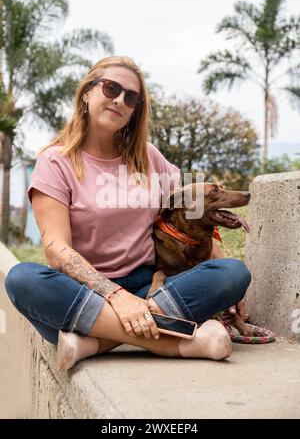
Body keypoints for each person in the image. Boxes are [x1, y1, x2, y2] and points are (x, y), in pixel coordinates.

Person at [5, 56, 251, 371]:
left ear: (136, 108)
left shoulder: (149, 157)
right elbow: (55, 250)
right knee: (23, 279)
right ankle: (180, 341)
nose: (120, 100)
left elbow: (196, 212)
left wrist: (221, 273)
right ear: (87, 93)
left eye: (131, 97)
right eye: (111, 88)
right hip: (84, 291)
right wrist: (116, 297)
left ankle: (95, 340)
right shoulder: (55, 162)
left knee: (234, 272)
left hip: (151, 287)